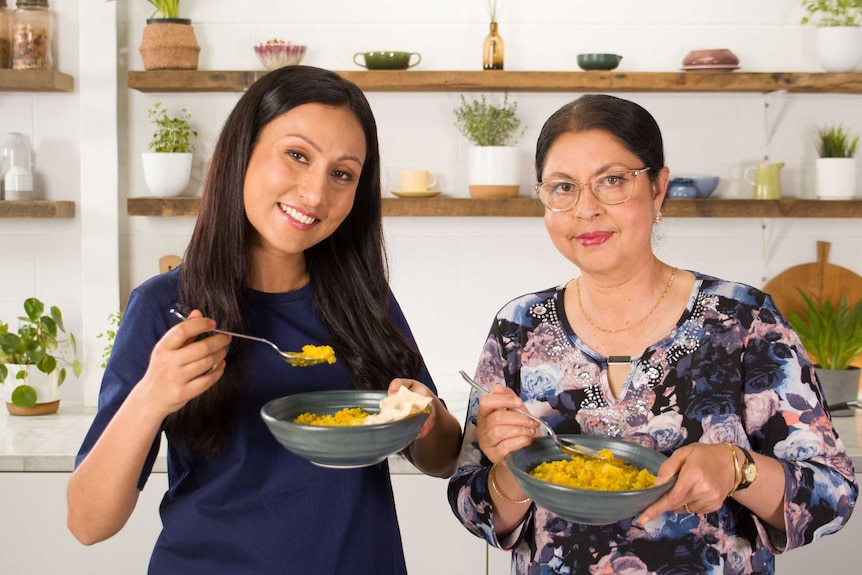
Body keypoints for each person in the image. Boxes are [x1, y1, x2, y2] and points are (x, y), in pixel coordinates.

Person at [67, 65, 462, 574]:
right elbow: (88, 522)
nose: (316, 194)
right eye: (297, 155)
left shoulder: (364, 300)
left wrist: (426, 415)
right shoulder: (166, 308)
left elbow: (443, 458)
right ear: (242, 151)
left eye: (342, 174)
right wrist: (152, 395)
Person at [447, 93, 858, 574]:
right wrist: (510, 471)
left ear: (659, 188)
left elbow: (832, 497)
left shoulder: (744, 319)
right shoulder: (520, 325)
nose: (586, 209)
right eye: (563, 188)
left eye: (613, 181)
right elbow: (474, 509)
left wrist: (736, 467)